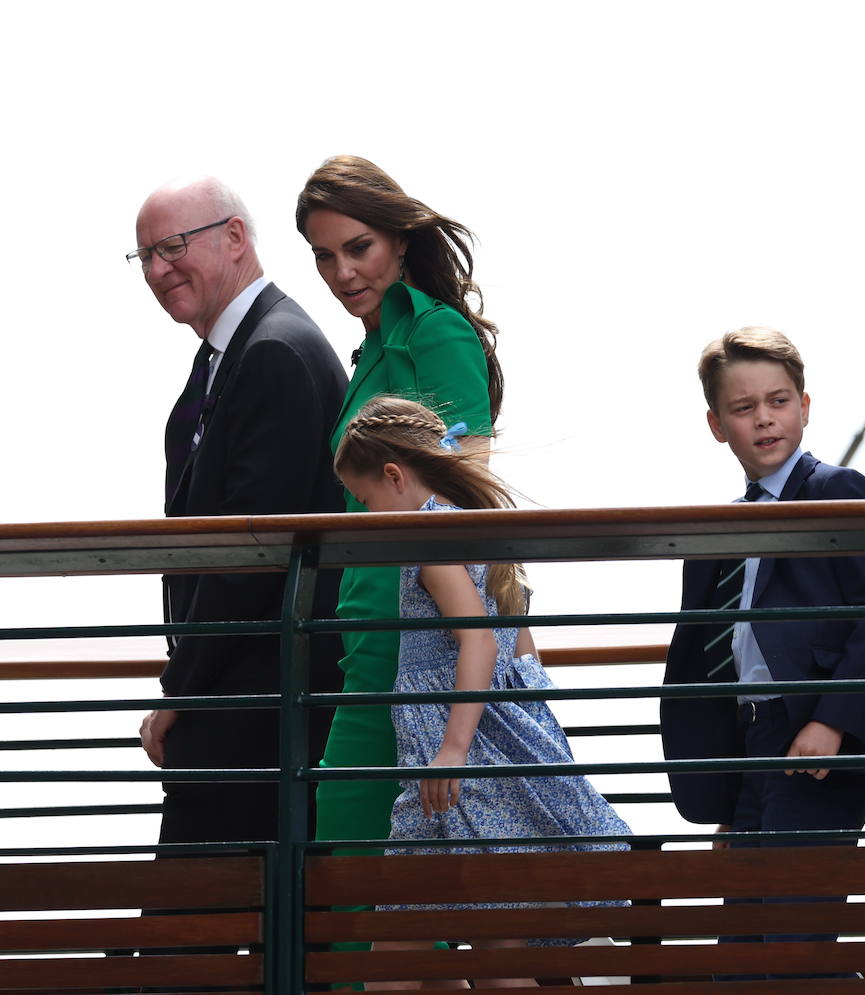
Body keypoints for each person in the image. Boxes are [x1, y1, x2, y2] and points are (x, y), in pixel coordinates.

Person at [334, 396, 630, 989]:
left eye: (365, 501)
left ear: (394, 476)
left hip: (451, 763)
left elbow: (479, 643)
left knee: (408, 948)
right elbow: (521, 656)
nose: (365, 515)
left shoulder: (428, 538)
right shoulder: (473, 525)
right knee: (474, 942)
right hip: (480, 759)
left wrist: (452, 750)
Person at [660, 327, 865, 978]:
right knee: (741, 956)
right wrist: (728, 794)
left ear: (805, 406)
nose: (765, 419)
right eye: (745, 408)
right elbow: (712, 652)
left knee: (792, 941)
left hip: (814, 738)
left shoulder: (837, 490)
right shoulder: (720, 529)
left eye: (778, 401)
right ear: (716, 423)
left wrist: (831, 720)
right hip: (754, 743)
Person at [295, 155, 504, 853]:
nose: (342, 273)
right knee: (369, 868)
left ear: (400, 240)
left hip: (417, 634)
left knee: (370, 866)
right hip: (362, 629)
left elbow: (464, 495)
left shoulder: (435, 332)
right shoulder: (372, 348)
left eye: (359, 248)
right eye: (324, 257)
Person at [132, 176, 347, 845]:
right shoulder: (234, 354)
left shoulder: (273, 352)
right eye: (145, 258)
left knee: (193, 934)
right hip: (245, 705)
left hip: (262, 712)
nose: (159, 269)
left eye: (172, 246)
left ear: (234, 237)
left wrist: (181, 690)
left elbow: (248, 560)